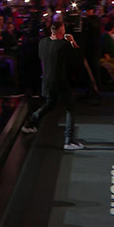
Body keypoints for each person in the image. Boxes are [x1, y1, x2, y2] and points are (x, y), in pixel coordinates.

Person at [22, 21, 85, 150]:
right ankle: (69, 140)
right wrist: (72, 42)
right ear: (61, 31)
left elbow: (42, 59)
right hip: (60, 81)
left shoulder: (42, 42)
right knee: (70, 107)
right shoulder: (64, 45)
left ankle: (30, 123)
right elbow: (78, 58)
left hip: (46, 80)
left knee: (50, 103)